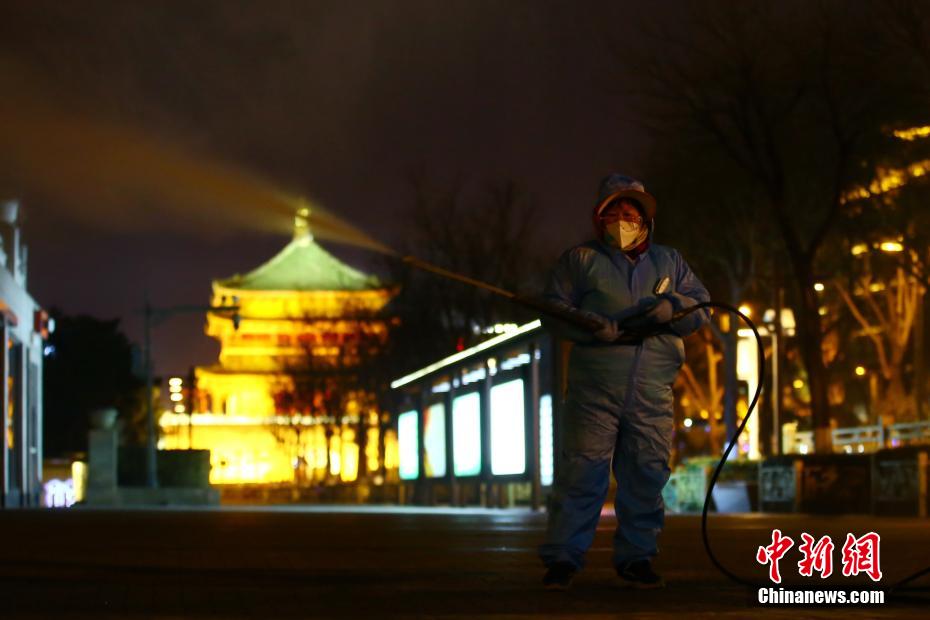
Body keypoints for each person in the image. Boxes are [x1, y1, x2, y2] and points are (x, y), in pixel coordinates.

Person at [538, 174, 711, 590]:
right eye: (613, 211)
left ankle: (637, 556)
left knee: (647, 473)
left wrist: (672, 307)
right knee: (582, 471)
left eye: (630, 211)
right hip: (593, 390)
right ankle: (564, 556)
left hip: (652, 390)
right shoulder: (579, 260)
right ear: (599, 218)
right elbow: (552, 309)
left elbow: (703, 306)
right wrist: (588, 327)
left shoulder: (671, 261)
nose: (622, 218)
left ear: (646, 219)